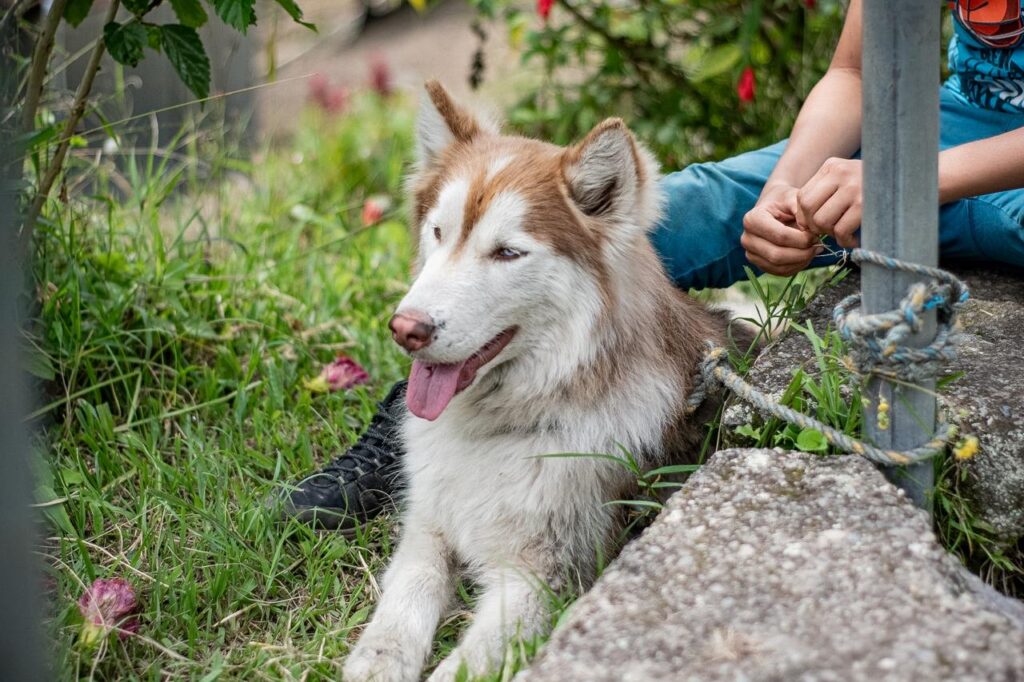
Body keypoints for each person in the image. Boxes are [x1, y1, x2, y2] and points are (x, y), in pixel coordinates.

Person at [271, 0, 1024, 533]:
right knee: (637, 221)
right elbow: (856, 74)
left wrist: (917, 183)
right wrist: (782, 191)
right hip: (949, 123)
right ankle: (421, 401)